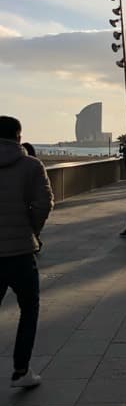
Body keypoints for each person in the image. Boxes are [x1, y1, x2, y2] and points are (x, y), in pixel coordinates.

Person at [0, 116, 54, 388]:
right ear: (19, 137)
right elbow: (44, 204)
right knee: (29, 308)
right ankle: (21, 371)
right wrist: (32, 231)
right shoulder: (31, 165)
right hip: (20, 251)